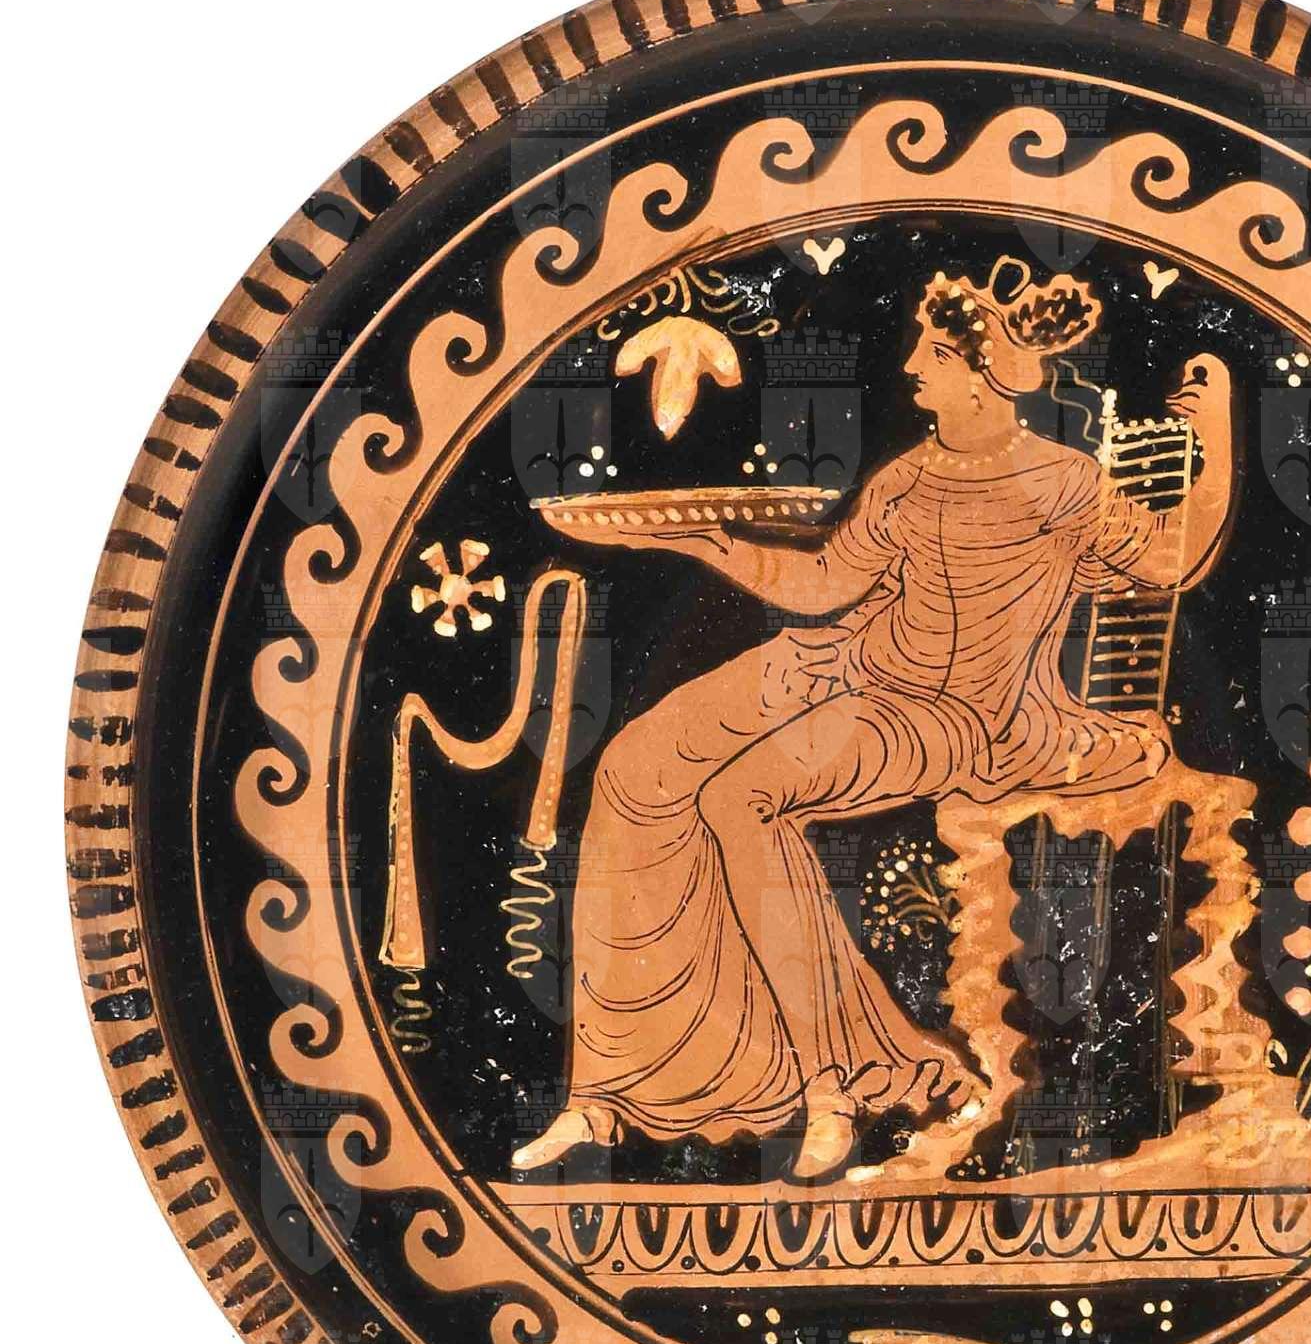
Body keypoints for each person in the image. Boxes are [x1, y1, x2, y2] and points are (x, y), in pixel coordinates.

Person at [514, 257, 1235, 1182]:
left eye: (933, 354)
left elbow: (1172, 560)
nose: (911, 369)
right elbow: (823, 585)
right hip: (845, 663)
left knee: (740, 799)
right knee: (634, 765)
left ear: (983, 375)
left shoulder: (1061, 484)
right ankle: (606, 1092)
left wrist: (1215, 436)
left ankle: (833, 1085)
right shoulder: (907, 479)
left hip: (955, 718)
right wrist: (708, 540)